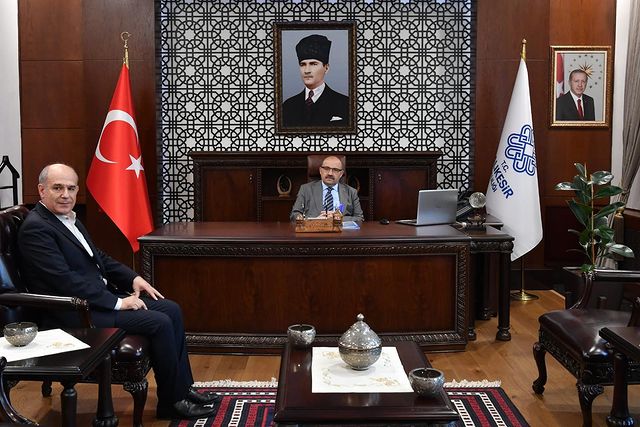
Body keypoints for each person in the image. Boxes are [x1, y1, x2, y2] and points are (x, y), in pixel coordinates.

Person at [17, 163, 219, 420]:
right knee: (159, 322)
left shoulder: (68, 219)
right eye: (57, 188)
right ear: (41, 190)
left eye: (70, 188)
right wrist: (117, 303)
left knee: (171, 308)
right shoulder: (37, 228)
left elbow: (97, 257)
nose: (65, 194)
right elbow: (65, 282)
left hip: (94, 301)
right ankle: (171, 403)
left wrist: (134, 278)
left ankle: (183, 390)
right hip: (73, 313)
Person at [282, 34, 350, 127]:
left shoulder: (345, 104)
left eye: (313, 64)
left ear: (326, 68)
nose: (307, 70)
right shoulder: (288, 106)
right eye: (303, 64)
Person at [290, 155, 364, 222]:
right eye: (326, 168)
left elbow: (360, 218)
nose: (330, 173)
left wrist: (337, 218)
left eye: (335, 170)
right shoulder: (306, 189)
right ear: (320, 171)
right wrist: (315, 220)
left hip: (341, 234)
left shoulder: (351, 192)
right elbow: (294, 215)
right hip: (314, 234)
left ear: (341, 174)